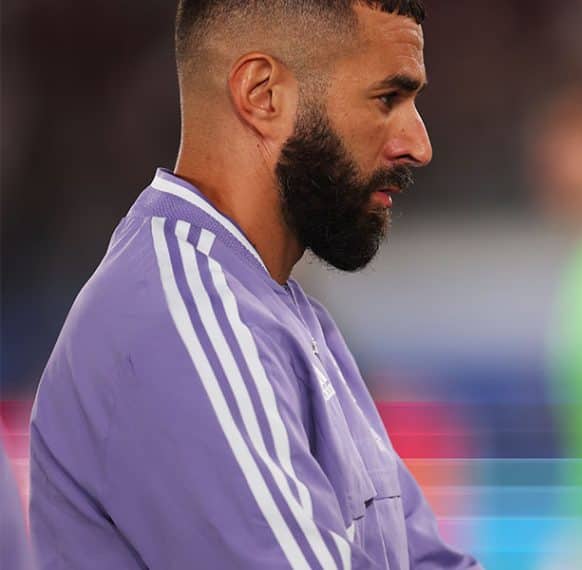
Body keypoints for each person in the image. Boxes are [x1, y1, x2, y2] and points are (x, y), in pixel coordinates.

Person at [28, 1, 479, 568]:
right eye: (388, 98)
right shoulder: (181, 317)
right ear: (263, 93)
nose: (419, 143)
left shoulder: (281, 311)